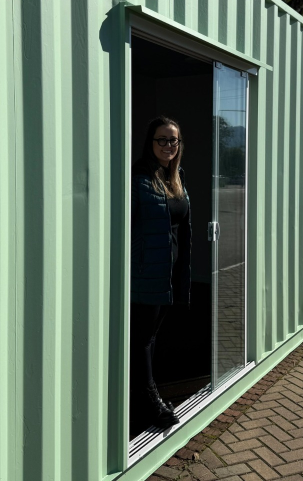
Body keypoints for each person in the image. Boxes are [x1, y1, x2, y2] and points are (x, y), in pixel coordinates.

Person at [130, 115, 191, 431]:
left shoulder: (175, 177)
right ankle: (150, 401)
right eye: (162, 139)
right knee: (141, 339)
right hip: (146, 273)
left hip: (169, 272)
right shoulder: (139, 179)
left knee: (151, 337)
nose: (169, 145)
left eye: (173, 140)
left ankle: (142, 394)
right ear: (150, 142)